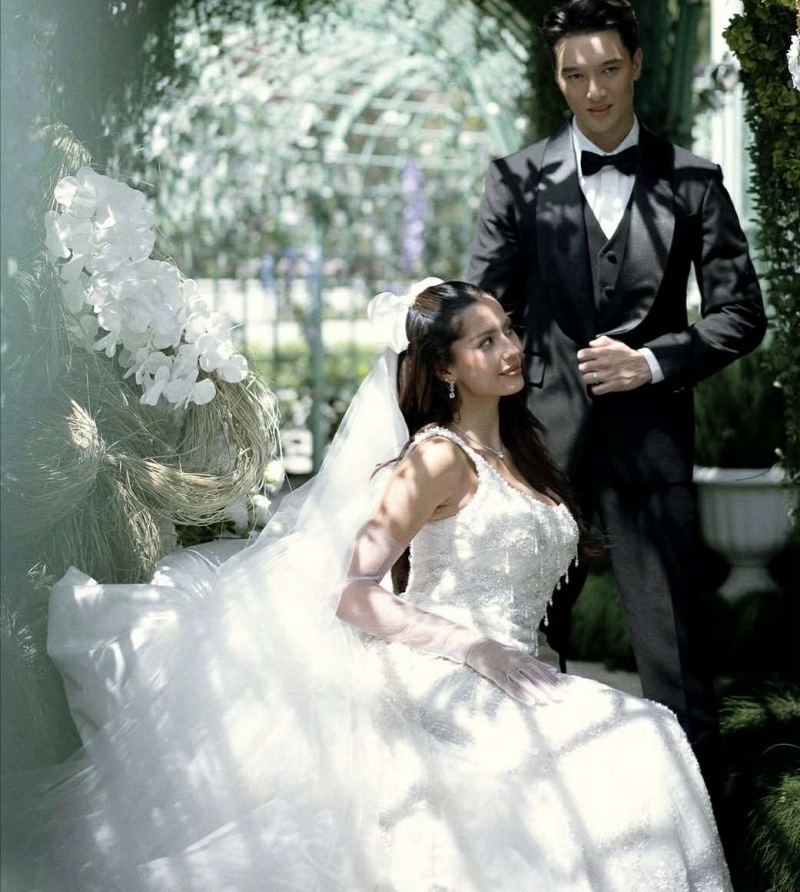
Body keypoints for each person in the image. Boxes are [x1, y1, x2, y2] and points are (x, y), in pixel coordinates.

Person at [6, 279, 732, 892]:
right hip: (440, 664)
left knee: (648, 732)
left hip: (512, 666)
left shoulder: (522, 451)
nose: (511, 349)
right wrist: (473, 647)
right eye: (485, 342)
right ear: (445, 368)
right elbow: (354, 592)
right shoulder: (436, 459)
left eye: (508, 331)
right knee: (624, 744)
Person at [466, 0, 768, 805]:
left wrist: (655, 362)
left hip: (651, 450)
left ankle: (701, 835)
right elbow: (484, 317)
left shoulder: (695, 181)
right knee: (519, 650)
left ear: (636, 63)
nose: (594, 90)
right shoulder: (515, 181)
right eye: (575, 75)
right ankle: (522, 821)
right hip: (537, 452)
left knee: (678, 668)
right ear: (556, 78)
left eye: (608, 69)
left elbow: (742, 313)